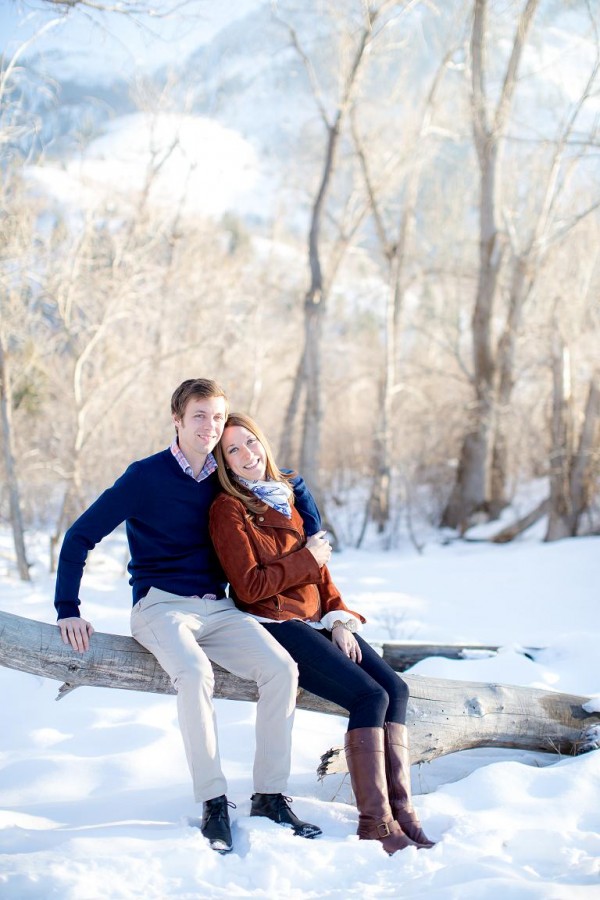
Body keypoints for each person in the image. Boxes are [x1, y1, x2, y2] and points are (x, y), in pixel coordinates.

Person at [54, 379, 322, 854]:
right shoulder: (145, 477)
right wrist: (68, 609)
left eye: (219, 417)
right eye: (200, 416)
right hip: (159, 604)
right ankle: (213, 801)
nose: (211, 426)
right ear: (176, 419)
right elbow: (79, 536)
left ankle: (269, 795)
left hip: (217, 607)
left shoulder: (224, 479)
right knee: (196, 675)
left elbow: (281, 485)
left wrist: (297, 486)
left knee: (281, 669)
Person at [209, 412, 436, 856]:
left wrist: (338, 617)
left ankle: (402, 811)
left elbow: (320, 569)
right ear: (225, 464)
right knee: (368, 697)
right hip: (276, 623)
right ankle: (375, 822)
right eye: (232, 450)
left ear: (263, 443)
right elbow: (250, 585)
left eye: (250, 442)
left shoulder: (285, 495)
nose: (246, 454)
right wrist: (308, 559)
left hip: (316, 618)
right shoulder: (228, 508)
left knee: (395, 687)